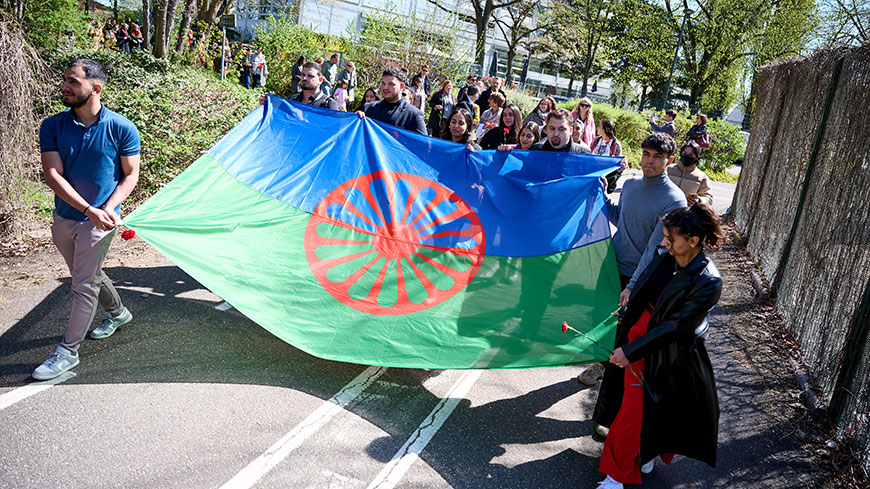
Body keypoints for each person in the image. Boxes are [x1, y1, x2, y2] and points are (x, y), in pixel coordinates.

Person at [593, 202, 723, 489]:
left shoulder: (709, 281)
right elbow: (644, 291)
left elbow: (674, 327)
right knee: (633, 410)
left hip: (666, 352)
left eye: (671, 238)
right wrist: (626, 315)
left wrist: (630, 350)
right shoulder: (669, 255)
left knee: (646, 411)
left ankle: (621, 472)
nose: (664, 242)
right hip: (641, 337)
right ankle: (629, 464)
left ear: (692, 241)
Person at [33, 59, 140, 380]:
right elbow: (53, 175)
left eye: (72, 82)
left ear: (96, 88)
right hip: (65, 217)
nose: (64, 86)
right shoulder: (52, 125)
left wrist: (107, 208)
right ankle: (118, 313)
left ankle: (68, 353)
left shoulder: (122, 127)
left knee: (82, 286)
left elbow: (130, 174)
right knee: (88, 275)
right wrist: (86, 209)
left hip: (101, 221)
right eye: (65, 80)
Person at [578, 133, 686, 386]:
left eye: (657, 157)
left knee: (625, 329)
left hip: (641, 276)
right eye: (646, 154)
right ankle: (602, 362)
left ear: (669, 161)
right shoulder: (631, 185)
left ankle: (606, 374)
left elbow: (654, 250)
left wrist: (633, 285)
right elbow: (620, 218)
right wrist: (601, 195)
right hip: (612, 266)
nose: (650, 161)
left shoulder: (674, 199)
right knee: (604, 320)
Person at [356, 67, 427, 135]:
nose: (385, 87)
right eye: (383, 83)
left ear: (402, 86)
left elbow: (423, 144)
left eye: (391, 84)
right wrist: (355, 119)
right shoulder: (368, 108)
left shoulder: (413, 115)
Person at [668, 141, 714, 207]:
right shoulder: (668, 169)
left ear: (697, 157)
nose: (687, 155)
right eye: (685, 153)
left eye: (691, 154)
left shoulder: (702, 177)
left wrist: (699, 201)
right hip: (664, 209)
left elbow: (708, 198)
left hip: (686, 213)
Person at [591, 119, 624, 193]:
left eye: (599, 126)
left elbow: (616, 163)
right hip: (594, 173)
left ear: (605, 129)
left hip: (606, 176)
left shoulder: (615, 144)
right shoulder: (595, 140)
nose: (597, 128)